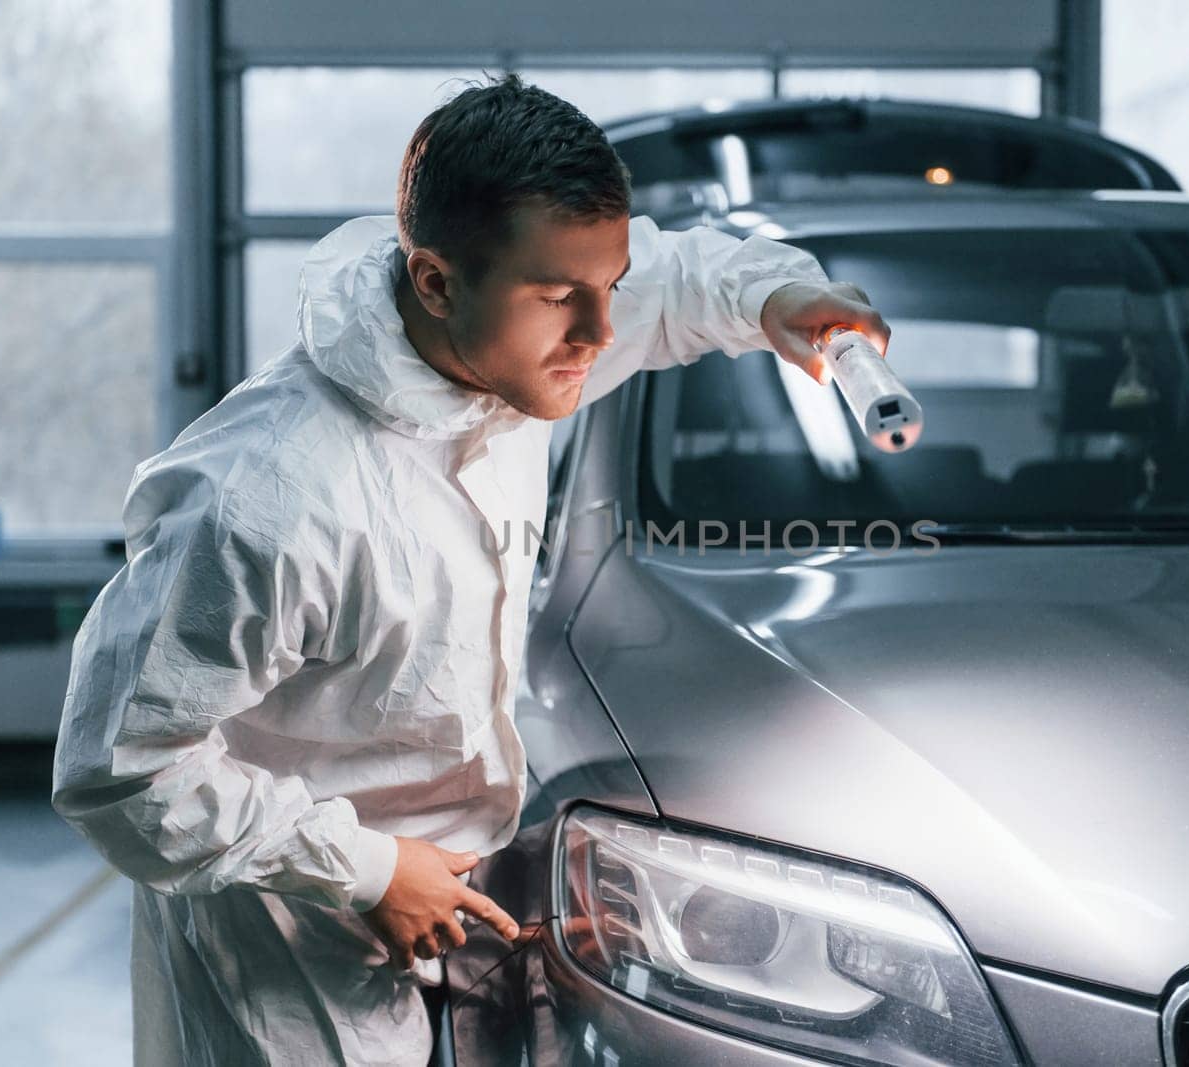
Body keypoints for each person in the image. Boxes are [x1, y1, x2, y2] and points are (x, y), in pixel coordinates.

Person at [52, 75, 889, 1066]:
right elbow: (118, 768)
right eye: (560, 299)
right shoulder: (271, 495)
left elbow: (685, 278)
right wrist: (367, 867)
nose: (600, 333)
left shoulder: (507, 348)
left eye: (607, 288)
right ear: (438, 281)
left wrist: (781, 300)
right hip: (282, 930)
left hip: (443, 896)